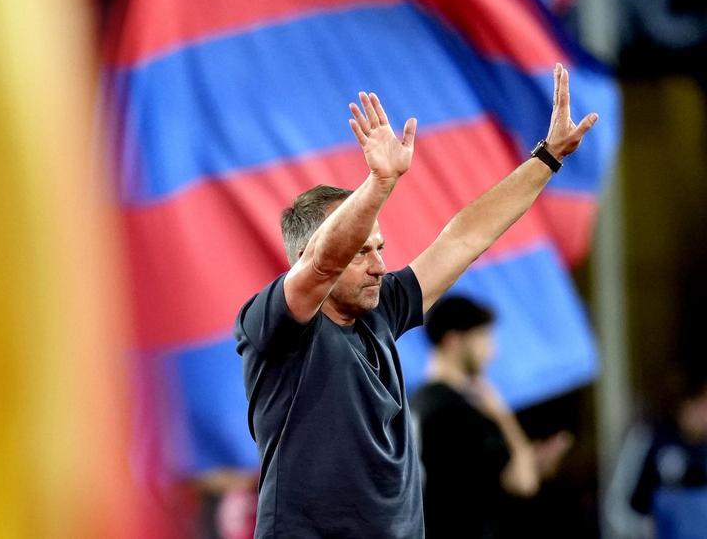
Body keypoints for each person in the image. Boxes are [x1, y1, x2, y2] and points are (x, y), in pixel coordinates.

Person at [233, 63, 599, 538]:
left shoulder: (381, 310)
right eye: (361, 250)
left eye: (380, 248)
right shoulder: (275, 323)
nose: (379, 265)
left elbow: (464, 238)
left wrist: (547, 158)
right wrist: (379, 184)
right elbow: (323, 263)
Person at [411, 296, 573, 538]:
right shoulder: (458, 411)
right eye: (483, 337)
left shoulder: (418, 401)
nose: (492, 352)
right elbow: (523, 482)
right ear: (453, 340)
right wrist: (503, 416)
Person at [606, 377, 707, 539]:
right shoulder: (646, 436)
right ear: (689, 402)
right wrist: (646, 528)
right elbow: (615, 505)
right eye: (703, 404)